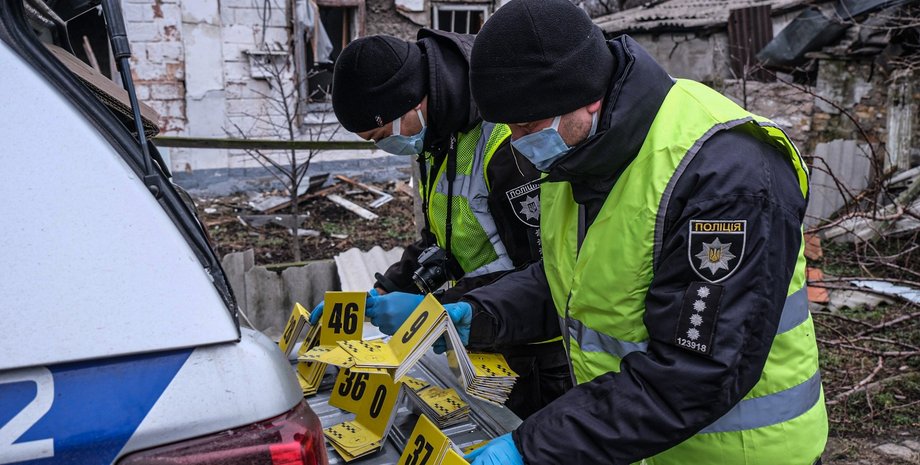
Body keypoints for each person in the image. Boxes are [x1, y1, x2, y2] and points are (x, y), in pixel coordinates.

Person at [364, 0, 828, 463]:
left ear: (586, 94)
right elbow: (567, 282)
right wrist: (476, 312)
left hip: (738, 453)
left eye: (527, 126)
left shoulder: (726, 176)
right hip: (639, 446)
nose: (520, 143)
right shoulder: (580, 155)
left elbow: (697, 368)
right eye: (509, 127)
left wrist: (533, 448)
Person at [315, 29, 571, 419]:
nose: (385, 146)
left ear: (412, 103)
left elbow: (548, 274)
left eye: (382, 135)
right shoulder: (438, 136)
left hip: (543, 354)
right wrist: (386, 290)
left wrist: (432, 309)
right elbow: (444, 241)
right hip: (484, 332)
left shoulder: (507, 144)